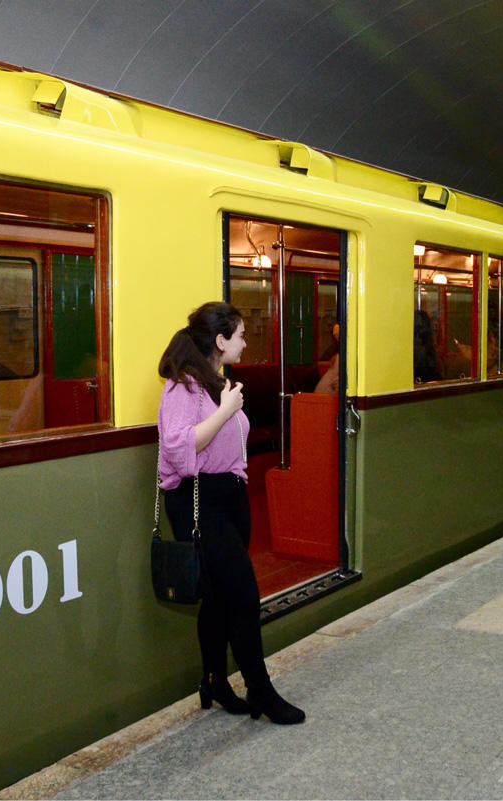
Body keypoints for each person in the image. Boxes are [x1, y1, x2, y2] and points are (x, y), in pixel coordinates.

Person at [157, 301, 305, 725]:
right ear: (220, 341)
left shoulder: (218, 381)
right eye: (239, 335)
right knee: (243, 595)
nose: (244, 341)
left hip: (229, 498)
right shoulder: (182, 386)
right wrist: (225, 410)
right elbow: (178, 448)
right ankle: (261, 692)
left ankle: (215, 682)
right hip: (199, 500)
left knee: (220, 598)